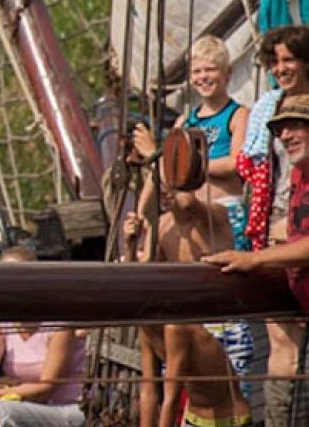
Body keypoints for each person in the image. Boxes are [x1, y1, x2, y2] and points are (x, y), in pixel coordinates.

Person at [206, 91, 309, 427]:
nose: (286, 136)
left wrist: (257, 259)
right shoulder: (298, 176)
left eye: (297, 127)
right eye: (282, 130)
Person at [124, 180, 253, 427]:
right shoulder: (161, 227)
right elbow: (150, 391)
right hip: (194, 401)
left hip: (221, 326)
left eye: (168, 187)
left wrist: (165, 172)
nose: (164, 194)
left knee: (225, 394)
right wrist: (131, 245)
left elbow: (189, 204)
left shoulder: (215, 213)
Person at [230, 26, 309, 426]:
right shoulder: (270, 107)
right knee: (281, 339)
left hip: (301, 224)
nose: (280, 68)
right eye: (274, 61)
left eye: (288, 59)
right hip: (279, 220)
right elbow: (255, 167)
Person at [0, 247, 86, 427]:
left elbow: (46, 389)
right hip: (24, 401)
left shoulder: (58, 323)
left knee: (0, 410)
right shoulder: (2, 320)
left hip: (65, 407)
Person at [130, 35, 249, 248]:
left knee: (187, 205)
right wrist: (140, 211)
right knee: (157, 234)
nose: (203, 76)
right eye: (197, 71)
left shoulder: (238, 115)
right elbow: (162, 167)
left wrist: (187, 167)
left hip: (223, 207)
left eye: (210, 69)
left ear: (227, 73)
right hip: (185, 205)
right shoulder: (185, 121)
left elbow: (235, 163)